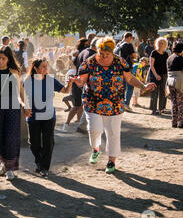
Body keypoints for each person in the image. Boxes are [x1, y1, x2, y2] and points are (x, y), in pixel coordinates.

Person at [70, 36, 155, 174]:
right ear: (97, 50)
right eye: (101, 54)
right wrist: (77, 81)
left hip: (115, 103)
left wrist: (143, 86)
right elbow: (82, 81)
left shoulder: (120, 62)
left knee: (113, 133)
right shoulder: (89, 63)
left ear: (112, 52)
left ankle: (111, 161)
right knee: (94, 129)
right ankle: (95, 149)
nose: (103, 57)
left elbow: (130, 78)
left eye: (107, 54)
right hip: (93, 102)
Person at [0, 45, 30, 181]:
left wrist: (26, 105)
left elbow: (21, 91)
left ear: (8, 59)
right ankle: (3, 165)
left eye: (3, 58)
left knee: (11, 137)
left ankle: (10, 169)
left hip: (13, 108)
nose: (0, 60)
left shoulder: (14, 72)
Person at [24, 58, 67, 177]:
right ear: (36, 68)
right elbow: (22, 96)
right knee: (34, 143)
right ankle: (39, 160)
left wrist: (71, 82)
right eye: (42, 67)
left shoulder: (50, 80)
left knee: (48, 142)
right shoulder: (28, 81)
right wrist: (24, 107)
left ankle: (44, 167)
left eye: (46, 66)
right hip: (33, 116)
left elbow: (65, 90)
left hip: (49, 116)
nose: (45, 69)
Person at [167, 42, 183, 128]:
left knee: (174, 103)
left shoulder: (169, 58)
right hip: (179, 82)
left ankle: (174, 122)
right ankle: (181, 122)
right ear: (182, 49)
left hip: (170, 81)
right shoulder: (180, 58)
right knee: (182, 102)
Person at [114, 32, 136, 112]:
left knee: (122, 87)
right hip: (127, 68)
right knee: (130, 86)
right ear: (129, 37)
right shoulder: (128, 44)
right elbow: (134, 55)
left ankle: (120, 103)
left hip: (118, 68)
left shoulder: (118, 45)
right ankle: (126, 104)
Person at [149, 37, 169, 115]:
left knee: (163, 92)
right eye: (159, 43)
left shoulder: (166, 54)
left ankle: (162, 108)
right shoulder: (154, 52)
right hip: (155, 75)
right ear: (157, 43)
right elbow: (151, 65)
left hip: (164, 75)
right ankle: (154, 109)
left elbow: (167, 65)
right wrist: (156, 75)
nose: (161, 44)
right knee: (154, 92)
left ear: (165, 45)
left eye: (162, 43)